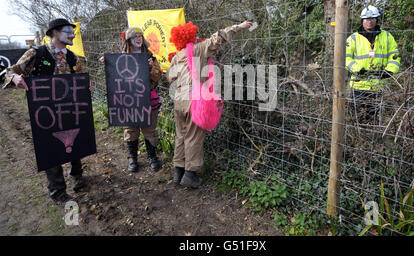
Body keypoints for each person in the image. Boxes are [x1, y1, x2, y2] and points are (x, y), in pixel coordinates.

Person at [2, 18, 86, 205]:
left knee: (75, 140)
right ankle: (57, 192)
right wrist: (15, 78)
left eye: (73, 32)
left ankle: (78, 175)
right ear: (55, 33)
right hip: (45, 112)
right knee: (50, 147)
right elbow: (10, 71)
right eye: (68, 31)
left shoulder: (73, 57)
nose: (73, 34)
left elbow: (81, 81)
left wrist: (85, 90)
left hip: (70, 109)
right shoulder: (36, 54)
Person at [167, 20, 253, 189]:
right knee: (193, 136)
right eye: (196, 35)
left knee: (181, 135)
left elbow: (169, 77)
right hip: (193, 99)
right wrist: (238, 26)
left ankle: (178, 171)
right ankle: (190, 175)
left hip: (179, 100)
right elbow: (217, 38)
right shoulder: (198, 50)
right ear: (191, 37)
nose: (199, 37)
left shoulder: (177, 57)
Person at [99, 27, 163, 173]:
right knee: (130, 130)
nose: (138, 39)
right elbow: (114, 78)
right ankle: (133, 159)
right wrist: (108, 63)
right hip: (127, 100)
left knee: (149, 129)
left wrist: (152, 68)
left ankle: (153, 158)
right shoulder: (120, 58)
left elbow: (158, 76)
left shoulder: (150, 57)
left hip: (146, 98)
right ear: (128, 40)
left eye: (140, 36)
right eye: (135, 37)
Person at [345, 5, 401, 122]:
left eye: (372, 19)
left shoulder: (387, 36)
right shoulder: (353, 38)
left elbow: (395, 56)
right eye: (366, 19)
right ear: (362, 21)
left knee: (374, 120)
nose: (369, 22)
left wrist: (389, 71)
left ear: (377, 20)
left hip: (378, 86)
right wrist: (358, 69)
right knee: (358, 118)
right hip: (358, 85)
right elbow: (346, 58)